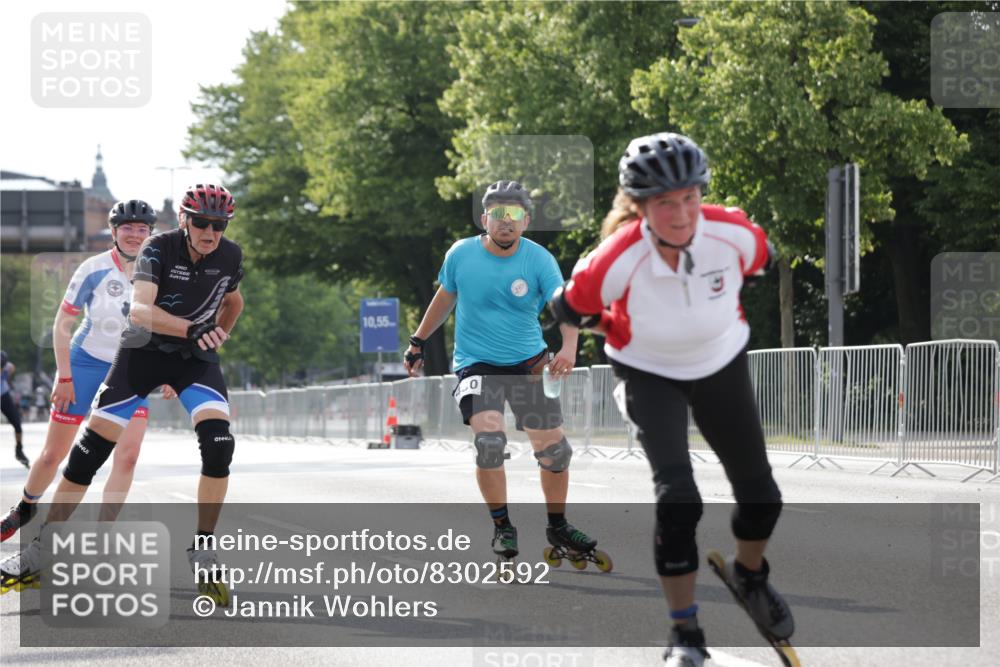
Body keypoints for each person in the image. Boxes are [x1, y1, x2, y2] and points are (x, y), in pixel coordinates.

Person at [548, 133, 793, 666]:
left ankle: (749, 576)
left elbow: (763, 259)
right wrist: (595, 321)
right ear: (639, 207)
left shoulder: (731, 233)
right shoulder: (615, 258)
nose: (681, 214)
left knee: (763, 497)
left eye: (690, 197)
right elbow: (565, 306)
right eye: (664, 203)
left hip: (720, 362)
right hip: (648, 371)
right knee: (679, 498)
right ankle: (685, 633)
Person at [7, 184, 245, 605]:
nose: (212, 232)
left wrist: (218, 335)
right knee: (86, 456)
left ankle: (204, 549)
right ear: (186, 221)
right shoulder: (157, 250)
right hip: (142, 354)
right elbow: (138, 311)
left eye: (220, 225)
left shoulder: (230, 255)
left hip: (195, 360)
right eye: (203, 223)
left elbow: (234, 300)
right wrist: (193, 328)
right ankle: (39, 553)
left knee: (219, 445)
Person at [403, 180, 603, 569]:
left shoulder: (539, 259)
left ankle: (558, 525)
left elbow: (564, 305)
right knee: (490, 440)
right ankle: (502, 525)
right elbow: (445, 298)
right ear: (485, 219)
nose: (505, 222)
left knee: (555, 452)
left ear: (525, 220)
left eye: (513, 215)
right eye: (498, 215)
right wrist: (418, 341)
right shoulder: (461, 254)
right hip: (477, 365)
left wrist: (568, 348)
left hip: (528, 363)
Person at [0, 201, 166, 551]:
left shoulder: (161, 269)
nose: (135, 235)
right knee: (52, 455)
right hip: (85, 363)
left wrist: (167, 372)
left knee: (128, 455)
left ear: (150, 233)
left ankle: (104, 536)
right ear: (114, 231)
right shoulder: (94, 268)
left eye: (142, 229)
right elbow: (62, 324)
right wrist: (64, 377)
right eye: (128, 228)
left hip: (131, 370)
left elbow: (165, 327)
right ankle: (26, 508)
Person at [1, 350, 29, 469]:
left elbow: (12, 367)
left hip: (4, 396)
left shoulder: (7, 366)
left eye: (2, 368)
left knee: (17, 423)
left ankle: (19, 450)